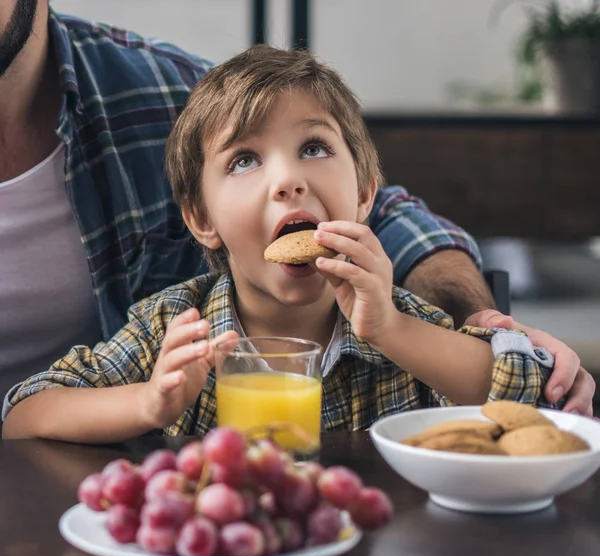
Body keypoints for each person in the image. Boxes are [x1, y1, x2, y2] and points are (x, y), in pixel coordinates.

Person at [0, 1, 594, 417]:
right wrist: (147, 400)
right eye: (244, 161)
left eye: (313, 148)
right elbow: (27, 409)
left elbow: (533, 393)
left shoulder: (397, 323)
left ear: (365, 192)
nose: (288, 181)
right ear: (199, 218)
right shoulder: (174, 331)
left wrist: (412, 328)